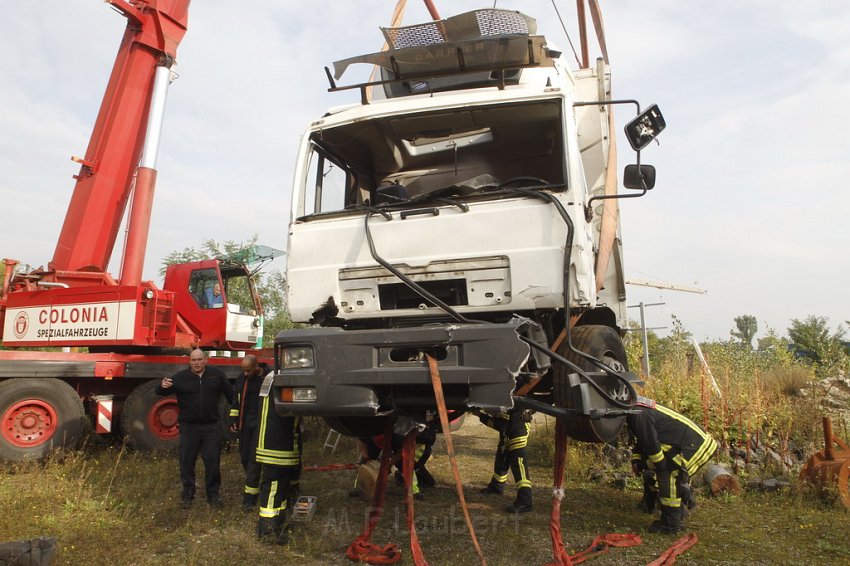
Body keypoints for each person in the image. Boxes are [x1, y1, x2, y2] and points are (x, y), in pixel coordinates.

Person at [626, 396, 717, 534]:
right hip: (685, 443)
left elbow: (652, 446)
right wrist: (637, 461)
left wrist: (650, 463)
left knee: (669, 476)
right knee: (660, 470)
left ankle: (670, 525)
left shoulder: (638, 415)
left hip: (694, 445)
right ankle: (674, 507)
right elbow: (643, 439)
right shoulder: (636, 410)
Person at [156, 348, 234, 508]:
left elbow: (231, 396)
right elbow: (160, 391)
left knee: (212, 461)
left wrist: (235, 416)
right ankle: (187, 495)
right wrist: (162, 385)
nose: (197, 363)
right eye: (193, 360)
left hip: (211, 426)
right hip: (189, 427)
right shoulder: (180, 378)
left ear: (206, 360)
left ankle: (213, 495)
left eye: (199, 359)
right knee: (187, 461)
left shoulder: (217, 375)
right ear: (189, 361)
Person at [255, 375, 302, 545]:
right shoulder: (282, 378)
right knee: (274, 486)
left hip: (278, 442)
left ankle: (278, 523)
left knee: (280, 485)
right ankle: (266, 530)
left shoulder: (275, 377)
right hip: (276, 445)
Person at [478, 408, 534, 513]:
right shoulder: (508, 412)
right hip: (510, 430)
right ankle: (497, 486)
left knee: (519, 465)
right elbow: (500, 425)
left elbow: (498, 424)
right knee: (502, 457)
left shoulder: (513, 414)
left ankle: (525, 501)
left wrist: (481, 416)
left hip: (517, 431)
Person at [229, 354, 266, 511]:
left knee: (253, 460)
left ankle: (249, 499)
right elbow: (236, 401)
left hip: (258, 425)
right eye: (243, 371)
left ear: (256, 367)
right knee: (244, 457)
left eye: (248, 371)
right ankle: (255, 485)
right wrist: (233, 420)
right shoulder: (241, 379)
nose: (245, 374)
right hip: (244, 425)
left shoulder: (265, 379)